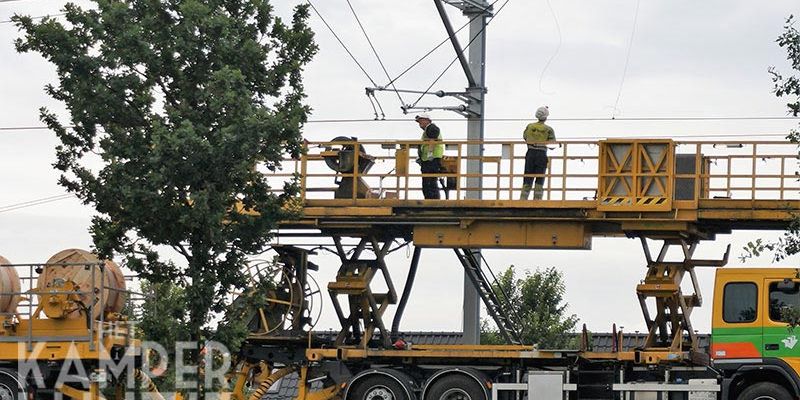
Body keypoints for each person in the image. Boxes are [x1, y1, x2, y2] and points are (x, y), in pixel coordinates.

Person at [521, 106, 556, 200]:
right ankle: (537, 199)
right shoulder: (548, 129)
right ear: (546, 117)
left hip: (530, 153)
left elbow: (524, 137)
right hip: (541, 154)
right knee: (540, 177)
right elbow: (553, 144)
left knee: (528, 176)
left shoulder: (530, 126)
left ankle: (523, 199)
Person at [415, 113, 444, 199]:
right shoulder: (428, 130)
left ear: (427, 120)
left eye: (421, 120)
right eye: (419, 121)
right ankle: (431, 198)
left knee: (430, 180)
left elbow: (432, 141)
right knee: (429, 179)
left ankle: (432, 198)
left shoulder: (431, 128)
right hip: (428, 159)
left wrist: (430, 153)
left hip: (432, 159)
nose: (419, 123)